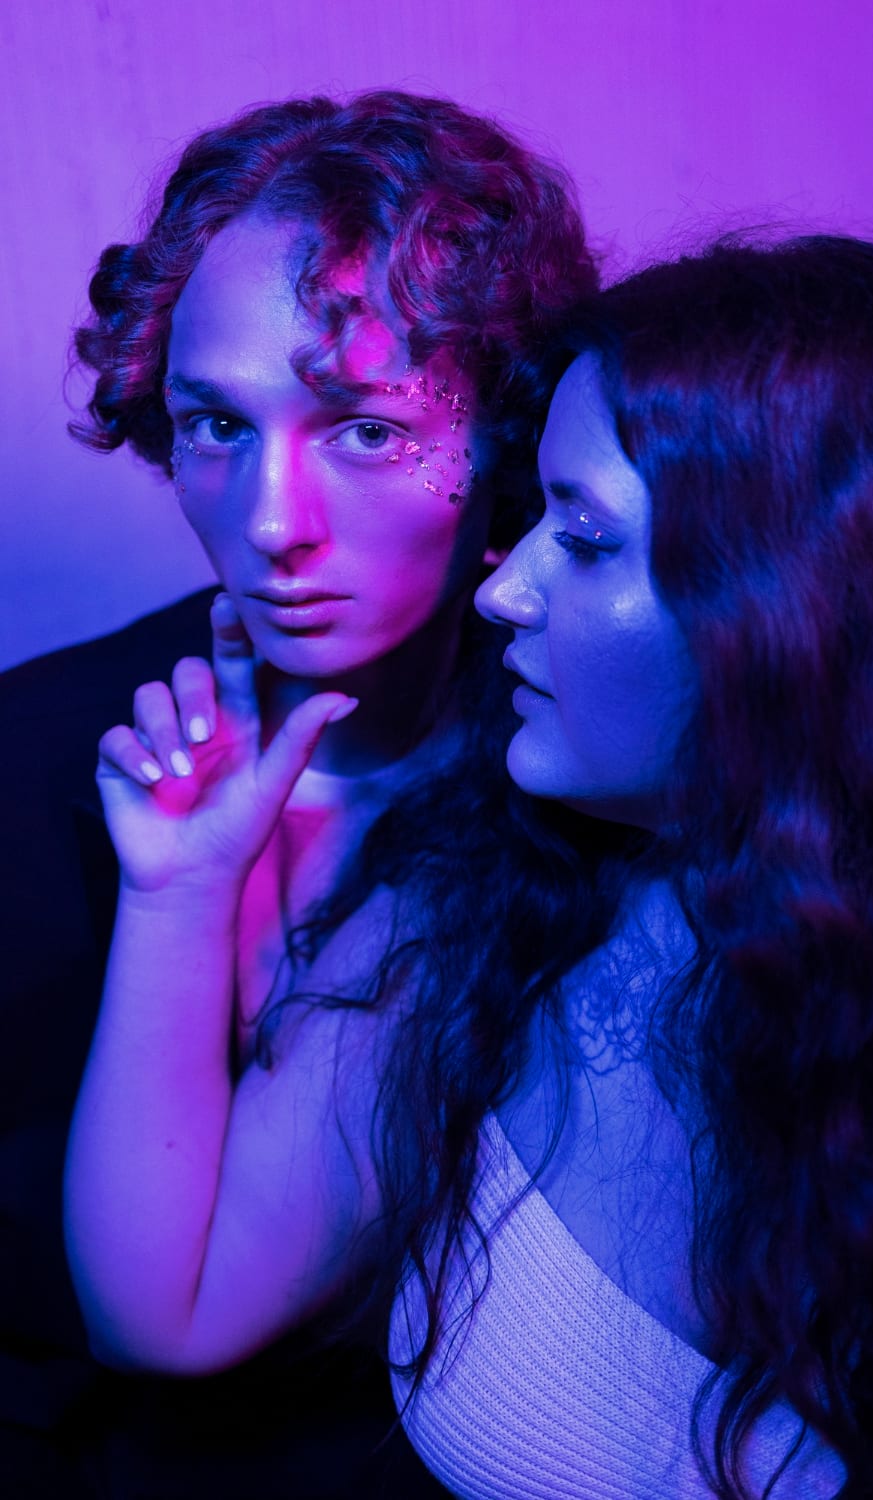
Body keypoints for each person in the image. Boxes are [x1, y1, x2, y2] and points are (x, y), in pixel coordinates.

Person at [3, 90, 597, 1495]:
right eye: (214, 424)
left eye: (364, 431)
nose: (271, 521)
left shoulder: (589, 795)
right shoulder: (34, 755)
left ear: (507, 442)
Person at [465, 236, 873, 1498]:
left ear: (783, 612)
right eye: (529, 517)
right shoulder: (544, 898)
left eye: (584, 541)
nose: (505, 592)